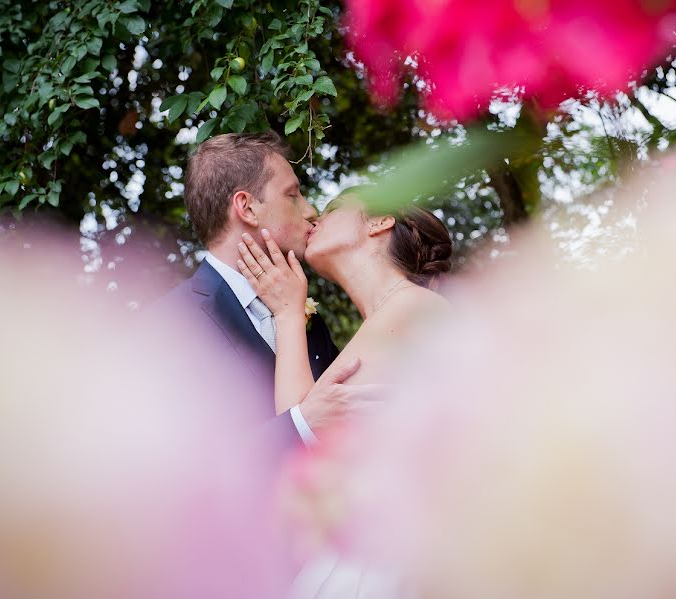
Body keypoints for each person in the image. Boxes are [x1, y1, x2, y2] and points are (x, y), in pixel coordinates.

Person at [234, 188, 453, 598]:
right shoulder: (392, 318)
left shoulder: (415, 307)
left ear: (378, 222)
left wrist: (286, 313)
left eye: (333, 208)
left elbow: (302, 429)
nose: (314, 214)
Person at [153, 131, 380, 453]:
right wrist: (300, 425)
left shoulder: (305, 318)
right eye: (293, 194)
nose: (311, 209)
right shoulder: (170, 325)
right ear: (246, 208)